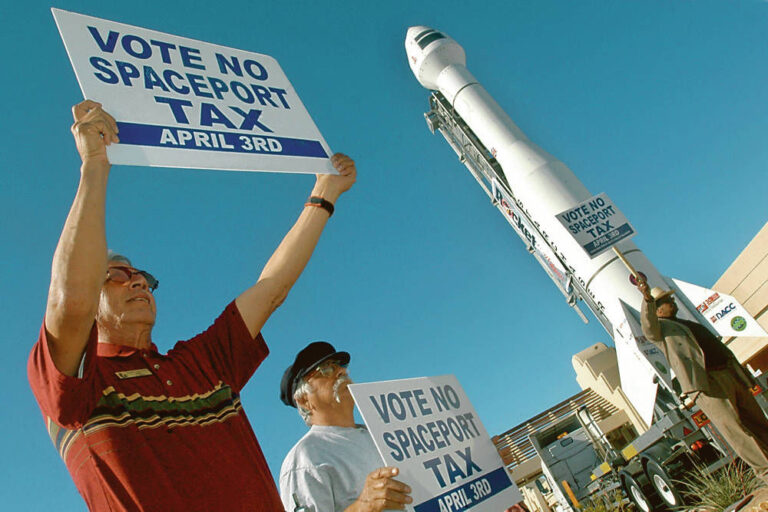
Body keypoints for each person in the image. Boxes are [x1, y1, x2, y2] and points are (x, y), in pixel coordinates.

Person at [27, 100, 356, 511]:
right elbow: (70, 301)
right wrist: (95, 164)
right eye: (117, 275)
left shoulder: (203, 364)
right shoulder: (78, 387)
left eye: (143, 277)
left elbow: (271, 289)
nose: (138, 281)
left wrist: (324, 194)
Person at [635, 275, 768, 483]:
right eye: (667, 301)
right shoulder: (661, 331)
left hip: (728, 374)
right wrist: (647, 298)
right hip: (707, 385)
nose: (672, 302)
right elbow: (648, 327)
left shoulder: (686, 324)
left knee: (758, 422)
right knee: (737, 432)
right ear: (657, 310)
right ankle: (765, 471)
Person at [279, 341, 413, 512]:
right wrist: (361, 507)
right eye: (326, 370)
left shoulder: (382, 435)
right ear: (304, 400)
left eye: (340, 366)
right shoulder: (306, 458)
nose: (341, 372)